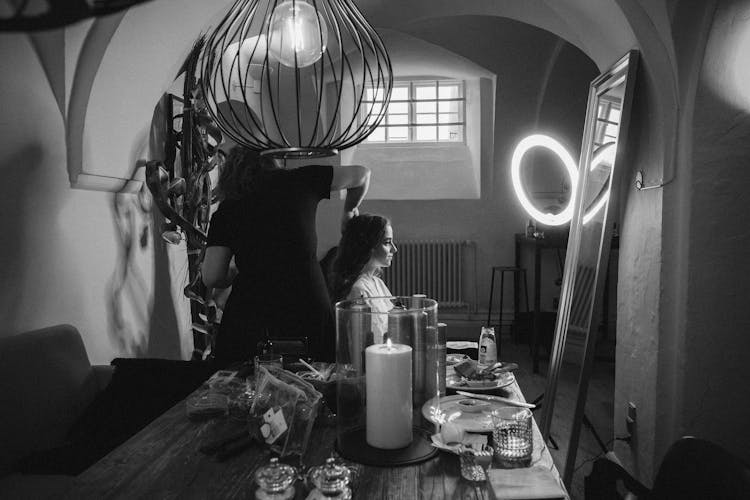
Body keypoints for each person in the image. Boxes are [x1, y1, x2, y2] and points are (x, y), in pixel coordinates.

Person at [201, 146, 370, 367]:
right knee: (316, 380)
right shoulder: (301, 179)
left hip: (253, 311)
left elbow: (212, 276)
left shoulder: (228, 208)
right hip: (307, 302)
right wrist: (349, 209)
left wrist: (235, 272)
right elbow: (361, 174)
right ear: (275, 160)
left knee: (243, 389)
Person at [329, 214, 398, 342]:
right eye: (387, 242)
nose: (394, 249)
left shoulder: (377, 282)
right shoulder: (358, 290)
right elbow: (369, 342)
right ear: (369, 245)